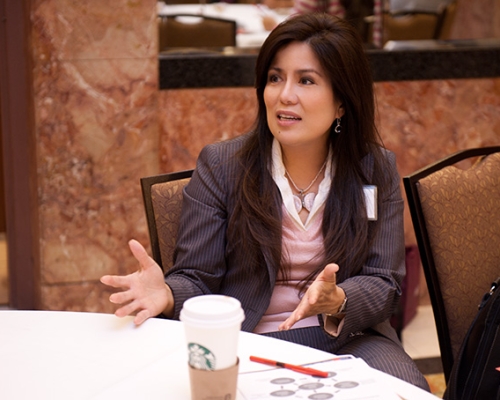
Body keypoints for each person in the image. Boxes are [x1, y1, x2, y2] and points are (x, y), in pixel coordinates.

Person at [101, 13, 429, 391]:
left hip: (350, 339)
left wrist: (338, 299)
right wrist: (169, 293)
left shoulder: (374, 169)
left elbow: (383, 282)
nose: (284, 94)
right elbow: (197, 276)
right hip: (249, 341)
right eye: (275, 78)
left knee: (408, 391)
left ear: (342, 102)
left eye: (306, 80)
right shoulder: (223, 166)